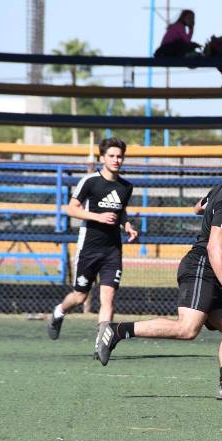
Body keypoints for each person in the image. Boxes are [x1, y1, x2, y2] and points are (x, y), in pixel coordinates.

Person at [94, 141, 222, 402]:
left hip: (209, 270)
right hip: (203, 268)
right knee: (187, 329)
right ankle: (117, 330)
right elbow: (215, 246)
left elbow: (198, 207)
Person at [47, 137, 138, 350]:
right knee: (80, 296)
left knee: (109, 298)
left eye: (119, 156)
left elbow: (121, 210)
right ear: (102, 158)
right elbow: (71, 208)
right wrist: (98, 217)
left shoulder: (126, 186)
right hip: (89, 247)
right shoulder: (90, 181)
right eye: (111, 156)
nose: (116, 160)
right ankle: (59, 311)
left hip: (112, 250)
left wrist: (127, 225)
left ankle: (102, 343)